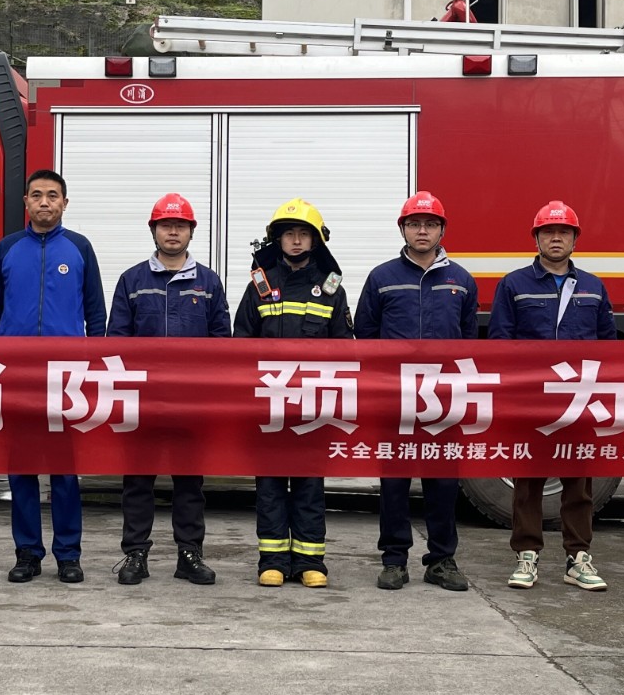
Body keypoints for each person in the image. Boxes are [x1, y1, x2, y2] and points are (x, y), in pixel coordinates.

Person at [0, 170, 106, 584]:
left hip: (65, 378)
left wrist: (93, 366)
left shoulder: (80, 248)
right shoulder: (8, 248)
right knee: (21, 469)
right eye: (37, 195)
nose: (45, 202)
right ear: (26, 203)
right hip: (16, 375)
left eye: (53, 195)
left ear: (65, 203)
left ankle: (68, 555)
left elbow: (96, 313)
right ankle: (27, 553)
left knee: (64, 471)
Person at [488, 199, 616, 592]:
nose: (556, 238)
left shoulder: (593, 287)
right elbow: (500, 342)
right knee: (528, 481)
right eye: (548, 232)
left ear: (575, 239)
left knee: (579, 482)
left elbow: (608, 345)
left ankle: (578, 558)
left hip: (578, 398)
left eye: (563, 232)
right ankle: (527, 555)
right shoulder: (514, 284)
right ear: (537, 239)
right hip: (531, 398)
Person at [357, 191, 479, 593]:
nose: (422, 230)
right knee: (394, 482)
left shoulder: (460, 280)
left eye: (430, 224)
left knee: (442, 482)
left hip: (444, 399)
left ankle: (442, 560)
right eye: (414, 224)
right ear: (403, 230)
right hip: (395, 397)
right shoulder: (382, 278)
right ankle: (394, 560)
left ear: (442, 230)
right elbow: (366, 337)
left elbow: (469, 341)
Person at [106, 193, 230, 586]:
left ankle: (189, 555)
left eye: (180, 226)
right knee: (137, 481)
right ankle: (135, 555)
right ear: (154, 230)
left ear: (191, 232)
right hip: (141, 401)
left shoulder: (208, 282)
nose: (172, 232)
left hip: (190, 403)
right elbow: (116, 341)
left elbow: (222, 344)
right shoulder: (132, 280)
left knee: (190, 482)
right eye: (165, 225)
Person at [233, 198, 352, 588]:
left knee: (309, 485)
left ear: (316, 241)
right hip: (269, 406)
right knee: (268, 485)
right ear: (277, 240)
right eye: (289, 234)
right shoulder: (260, 286)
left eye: (304, 234)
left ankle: (310, 562)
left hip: (313, 407)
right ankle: (272, 561)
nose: (296, 240)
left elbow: (345, 350)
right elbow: (240, 345)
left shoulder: (331, 290)